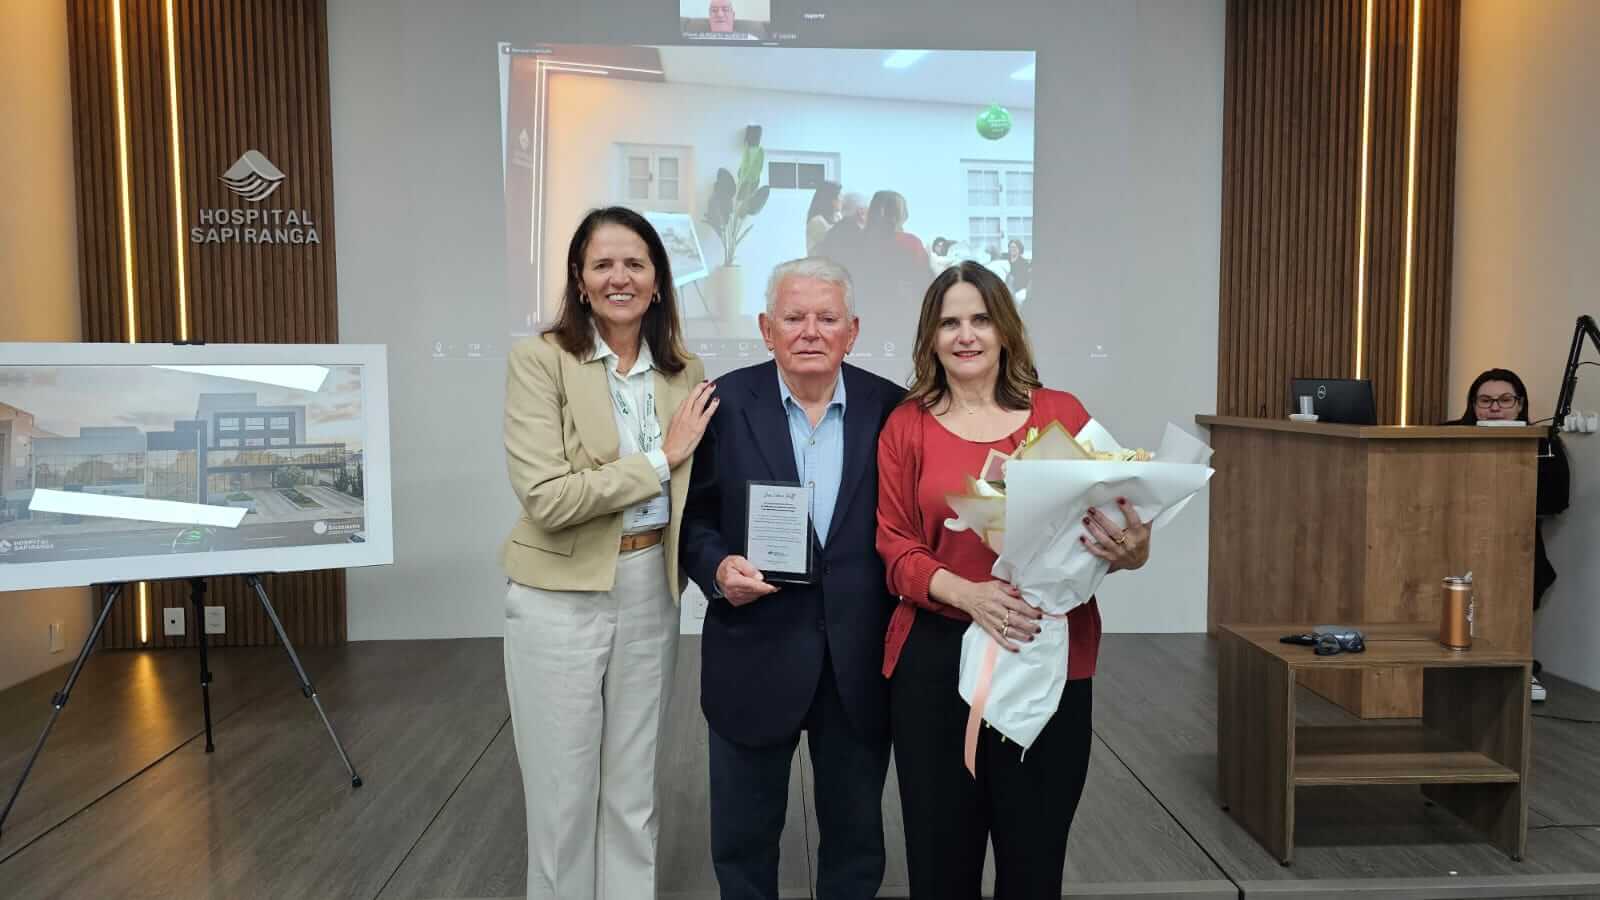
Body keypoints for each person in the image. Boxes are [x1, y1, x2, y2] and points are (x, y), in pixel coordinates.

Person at [876, 261, 1152, 899]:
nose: (966, 335)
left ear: (1005, 329)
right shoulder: (906, 424)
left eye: (980, 319)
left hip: (1045, 655)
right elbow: (893, 544)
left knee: (1034, 866)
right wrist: (969, 595)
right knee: (940, 870)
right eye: (949, 323)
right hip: (936, 664)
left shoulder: (1061, 414)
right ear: (930, 337)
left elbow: (1112, 528)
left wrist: (1133, 550)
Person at [500, 206, 719, 900]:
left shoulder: (685, 372)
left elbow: (702, 490)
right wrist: (660, 459)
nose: (619, 278)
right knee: (562, 795)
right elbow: (548, 498)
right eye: (602, 264)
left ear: (658, 281)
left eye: (635, 264)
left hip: (651, 584)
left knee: (634, 788)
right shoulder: (540, 361)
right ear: (580, 280)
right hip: (559, 594)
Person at [681, 257, 905, 900]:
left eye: (827, 318)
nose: (810, 331)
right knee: (743, 844)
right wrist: (717, 568)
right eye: (794, 317)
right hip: (753, 652)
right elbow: (692, 518)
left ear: (852, 331)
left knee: (856, 843)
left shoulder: (892, 409)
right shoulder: (721, 406)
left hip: (857, 661)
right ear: (765, 328)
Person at [1448, 367, 1570, 702]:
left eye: (1504, 400)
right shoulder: (1449, 435)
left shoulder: (1543, 441)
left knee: (1519, 580)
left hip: (1516, 541)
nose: (1495, 408)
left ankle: (1517, 668)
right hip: (1453, 535)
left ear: (1520, 405)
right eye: (1485, 400)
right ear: (1473, 405)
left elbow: (1557, 501)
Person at [806, 181, 843, 256]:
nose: (842, 200)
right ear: (831, 200)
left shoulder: (838, 216)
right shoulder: (817, 221)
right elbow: (837, 242)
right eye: (840, 197)